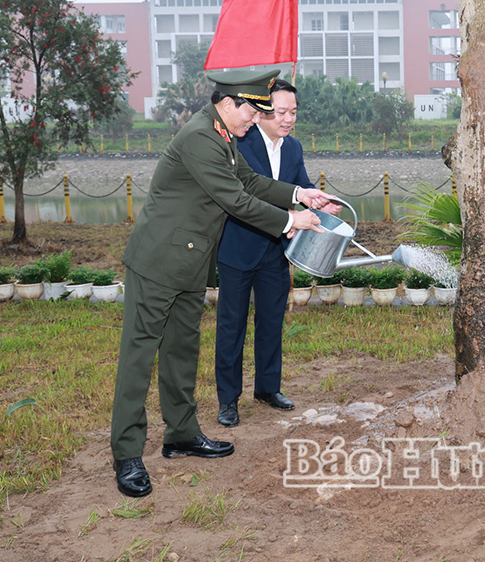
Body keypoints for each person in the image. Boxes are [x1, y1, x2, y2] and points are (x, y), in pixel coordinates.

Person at [110, 68, 338, 499]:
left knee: (181, 351)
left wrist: (299, 195)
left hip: (190, 262)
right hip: (158, 262)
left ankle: (181, 433)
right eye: (253, 111)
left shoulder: (223, 134)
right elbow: (234, 199)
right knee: (138, 359)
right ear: (230, 103)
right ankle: (126, 454)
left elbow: (248, 181)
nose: (257, 119)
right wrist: (291, 221)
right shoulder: (201, 137)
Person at [215, 79, 320, 427]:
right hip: (239, 247)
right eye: (281, 112)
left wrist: (318, 201)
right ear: (261, 112)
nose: (288, 119)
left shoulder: (293, 148)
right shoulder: (240, 143)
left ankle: (268, 388)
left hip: (277, 249)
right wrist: (290, 213)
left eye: (293, 112)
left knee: (272, 322)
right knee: (231, 327)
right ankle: (228, 400)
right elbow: (245, 196)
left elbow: (300, 186)